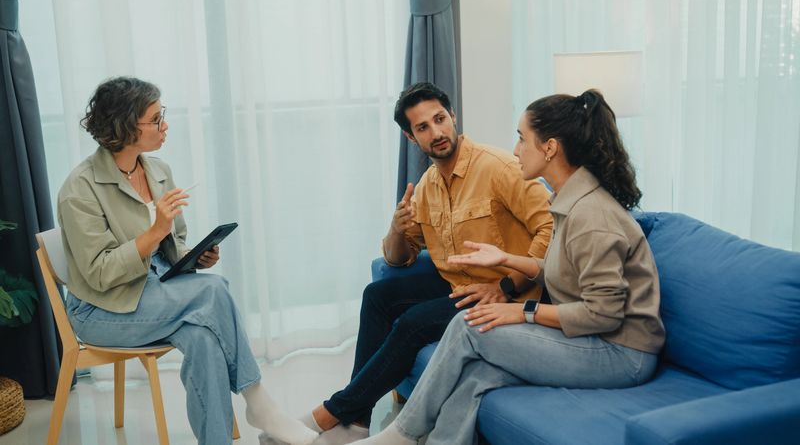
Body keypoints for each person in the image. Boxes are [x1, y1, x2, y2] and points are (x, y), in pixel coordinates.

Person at [351, 89, 666, 445]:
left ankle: (401, 434)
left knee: (469, 326)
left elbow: (605, 315)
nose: (516, 150)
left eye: (522, 139)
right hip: (589, 337)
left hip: (620, 353)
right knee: (475, 375)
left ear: (549, 148)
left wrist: (523, 312)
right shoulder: (569, 201)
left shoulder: (592, 215)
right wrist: (506, 259)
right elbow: (560, 269)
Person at [57, 77, 318, 445]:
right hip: (102, 310)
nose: (165, 126)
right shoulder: (79, 188)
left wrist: (195, 257)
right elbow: (99, 274)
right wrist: (153, 231)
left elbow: (173, 243)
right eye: (156, 118)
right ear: (127, 125)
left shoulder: (157, 170)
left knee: (204, 338)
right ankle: (260, 404)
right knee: (214, 292)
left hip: (156, 291)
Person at [296, 82, 553, 445]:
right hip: (462, 286)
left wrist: (506, 286)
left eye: (439, 119)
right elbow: (399, 259)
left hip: (509, 294)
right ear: (410, 136)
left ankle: (331, 413)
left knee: (413, 323)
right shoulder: (429, 186)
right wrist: (397, 228)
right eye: (423, 127)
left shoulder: (499, 168)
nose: (436, 132)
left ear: (453, 117)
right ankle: (355, 423)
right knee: (378, 295)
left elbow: (550, 227)